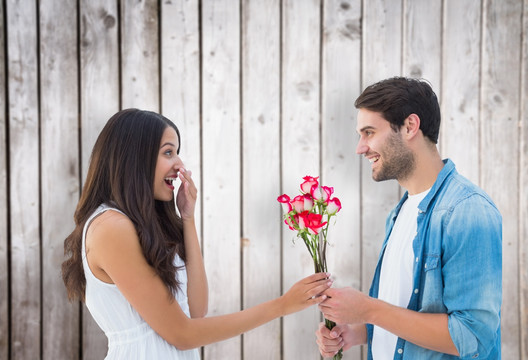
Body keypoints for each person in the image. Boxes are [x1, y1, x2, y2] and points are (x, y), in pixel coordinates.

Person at [62, 108, 332, 359]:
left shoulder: (143, 225)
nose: (179, 164)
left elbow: (196, 310)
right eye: (168, 152)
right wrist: (281, 306)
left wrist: (187, 219)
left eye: (177, 152)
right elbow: (182, 334)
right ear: (135, 158)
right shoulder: (110, 227)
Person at [315, 77, 502, 359]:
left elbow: (472, 337)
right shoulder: (400, 213)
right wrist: (358, 332)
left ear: (410, 126)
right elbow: (411, 312)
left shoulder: (467, 211)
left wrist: (368, 309)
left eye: (369, 132)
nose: (360, 148)